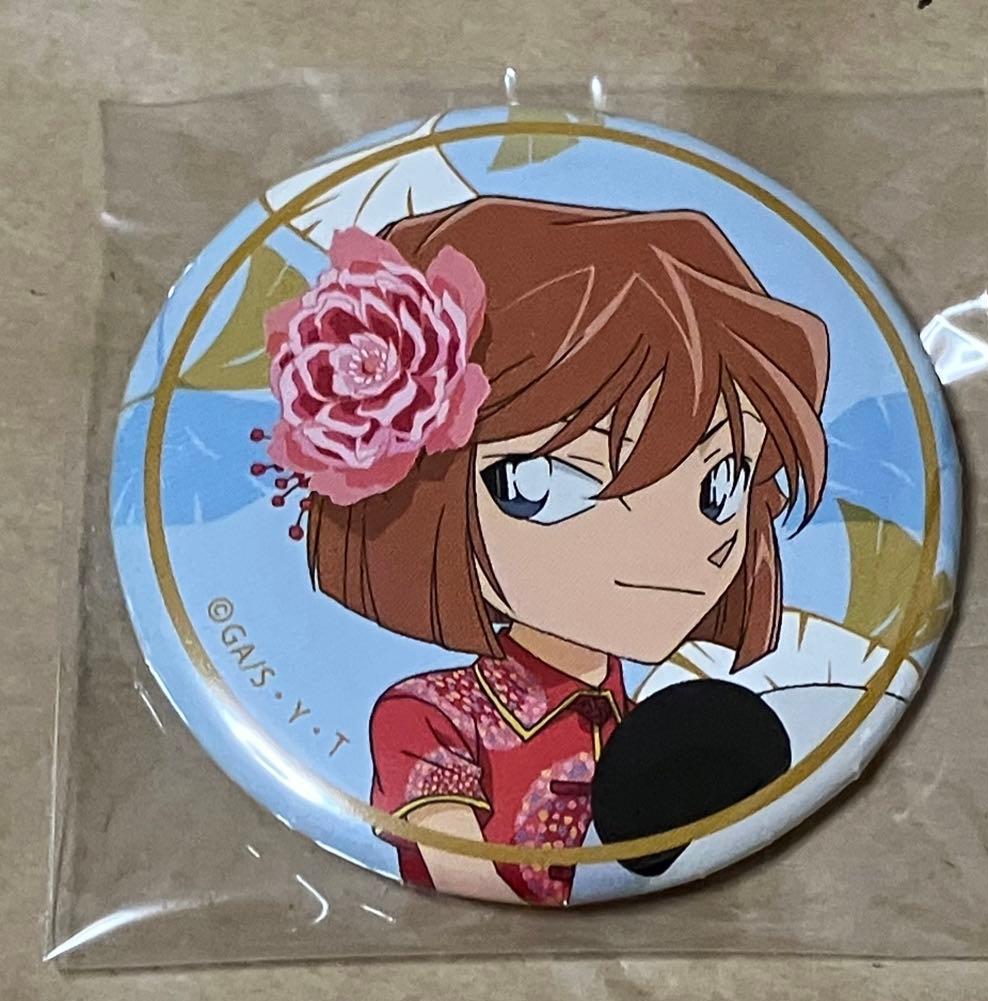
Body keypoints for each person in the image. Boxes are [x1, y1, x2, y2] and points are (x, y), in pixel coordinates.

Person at [291, 197, 830, 905]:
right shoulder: (431, 716)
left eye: (719, 484)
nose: (669, 545)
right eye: (543, 484)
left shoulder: (653, 734)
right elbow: (462, 869)